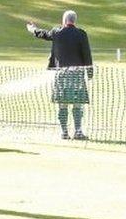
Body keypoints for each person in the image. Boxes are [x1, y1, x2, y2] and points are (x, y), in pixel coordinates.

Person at [26, 10, 94, 140]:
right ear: (74, 20)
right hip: (77, 73)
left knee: (62, 103)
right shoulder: (81, 34)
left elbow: (43, 34)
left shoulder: (57, 32)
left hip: (62, 74)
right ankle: (78, 131)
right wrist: (90, 73)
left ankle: (64, 132)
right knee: (77, 103)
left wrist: (32, 29)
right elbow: (87, 54)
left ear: (64, 20)